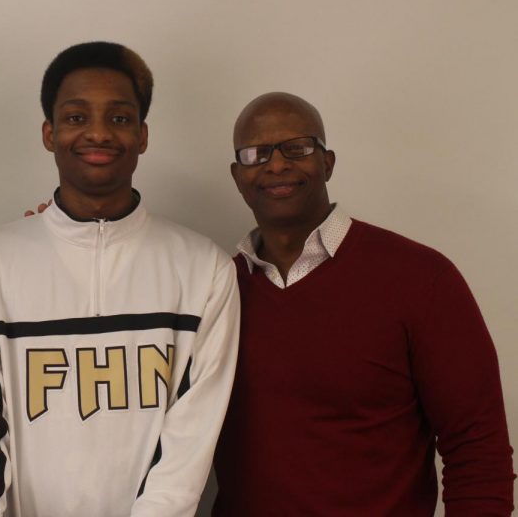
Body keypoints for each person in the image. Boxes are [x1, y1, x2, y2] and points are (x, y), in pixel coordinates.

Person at [0, 42, 240, 516]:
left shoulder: (205, 270)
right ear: (49, 133)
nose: (98, 133)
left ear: (142, 135)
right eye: (77, 118)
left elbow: (188, 448)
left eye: (118, 118)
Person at [212, 91, 515, 515]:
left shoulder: (421, 278)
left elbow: (477, 448)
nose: (276, 165)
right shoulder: (216, 289)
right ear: (236, 174)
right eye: (256, 153)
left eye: (297, 148)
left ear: (327, 162)